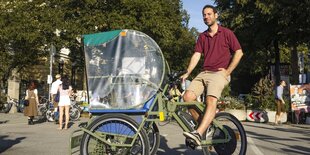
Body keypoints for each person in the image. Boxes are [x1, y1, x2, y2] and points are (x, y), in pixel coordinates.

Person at [180, 5, 243, 145]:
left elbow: (239, 52)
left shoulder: (227, 33)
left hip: (219, 73)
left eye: (209, 14)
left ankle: (198, 132)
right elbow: (196, 55)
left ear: (216, 15)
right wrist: (187, 72)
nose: (206, 17)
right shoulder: (202, 36)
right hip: (205, 72)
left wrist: (227, 72)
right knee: (187, 97)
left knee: (210, 99)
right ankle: (205, 126)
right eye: (204, 15)